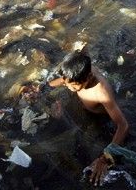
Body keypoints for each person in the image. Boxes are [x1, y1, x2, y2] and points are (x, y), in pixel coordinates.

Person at [48, 52, 129, 186]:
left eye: (73, 86)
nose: (69, 88)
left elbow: (123, 125)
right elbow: (64, 80)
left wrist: (105, 158)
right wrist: (44, 87)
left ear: (89, 77)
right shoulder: (77, 72)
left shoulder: (101, 93)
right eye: (67, 84)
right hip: (84, 108)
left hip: (99, 119)